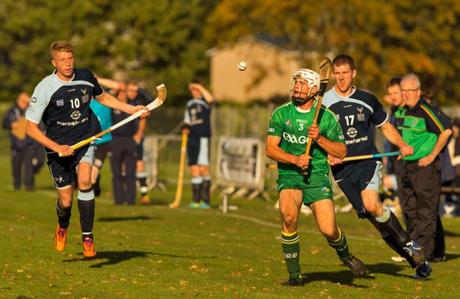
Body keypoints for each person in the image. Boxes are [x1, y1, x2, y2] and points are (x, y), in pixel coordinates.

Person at [25, 40, 149, 258]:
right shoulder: (45, 87)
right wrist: (57, 147)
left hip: (85, 137)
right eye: (62, 60)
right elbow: (30, 129)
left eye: (70, 58)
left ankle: (88, 238)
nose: (68, 63)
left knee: (85, 181)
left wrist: (131, 109)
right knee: (65, 200)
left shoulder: (86, 76)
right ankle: (62, 227)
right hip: (58, 147)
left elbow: (103, 97)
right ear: (54, 62)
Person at [322, 55, 431, 279]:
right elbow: (318, 137)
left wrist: (402, 144)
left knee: (372, 205)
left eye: (345, 73)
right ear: (333, 74)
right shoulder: (323, 103)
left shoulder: (367, 99)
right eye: (337, 73)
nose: (341, 78)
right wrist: (327, 155)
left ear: (354, 73)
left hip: (367, 162)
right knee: (377, 221)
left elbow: (386, 128)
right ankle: (416, 262)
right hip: (342, 170)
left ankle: (409, 243)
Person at [266, 68, 367, 286]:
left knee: (328, 229)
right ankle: (294, 276)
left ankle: (346, 257)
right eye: (296, 82)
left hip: (317, 176)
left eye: (302, 84)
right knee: (289, 218)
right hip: (290, 175)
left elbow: (341, 152)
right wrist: (294, 160)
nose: (296, 87)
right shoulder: (281, 113)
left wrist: (319, 138)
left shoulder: (326, 117)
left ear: (314, 90)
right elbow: (271, 149)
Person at [396, 73, 452, 262]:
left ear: (418, 91)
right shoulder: (401, 111)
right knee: (409, 210)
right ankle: (413, 250)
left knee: (425, 211)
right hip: (406, 166)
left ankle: (424, 255)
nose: (406, 94)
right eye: (403, 91)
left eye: (410, 91)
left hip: (425, 168)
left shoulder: (425, 109)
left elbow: (446, 131)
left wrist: (431, 156)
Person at [2, 92, 44, 190]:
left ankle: (29, 185)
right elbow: (4, 123)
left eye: (27, 101)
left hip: (29, 143)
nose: (26, 103)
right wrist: (11, 125)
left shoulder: (32, 111)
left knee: (29, 165)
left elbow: (40, 124)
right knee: (16, 166)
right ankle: (16, 185)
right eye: (24, 101)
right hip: (16, 143)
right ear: (19, 100)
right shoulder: (12, 111)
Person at [183, 79, 214, 209]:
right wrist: (185, 127)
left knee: (203, 168)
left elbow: (211, 99)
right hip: (192, 138)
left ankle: (205, 200)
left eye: (197, 89)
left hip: (202, 137)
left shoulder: (205, 102)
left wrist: (198, 86)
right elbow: (187, 120)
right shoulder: (189, 104)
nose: (195, 92)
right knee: (194, 168)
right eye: (193, 90)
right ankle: (195, 200)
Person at [110, 89, 139, 205]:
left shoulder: (132, 107)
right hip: (115, 140)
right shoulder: (112, 108)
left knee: (130, 172)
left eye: (124, 93)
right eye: (120, 93)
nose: (122, 95)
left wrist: (138, 135)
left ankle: (131, 199)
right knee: (116, 172)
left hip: (129, 140)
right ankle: (119, 199)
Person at [127, 81, 153, 204]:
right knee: (123, 166)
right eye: (130, 90)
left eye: (134, 91)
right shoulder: (123, 103)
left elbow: (151, 99)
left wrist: (139, 134)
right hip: (123, 138)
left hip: (136, 137)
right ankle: (126, 194)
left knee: (139, 164)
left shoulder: (139, 102)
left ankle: (144, 194)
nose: (132, 93)